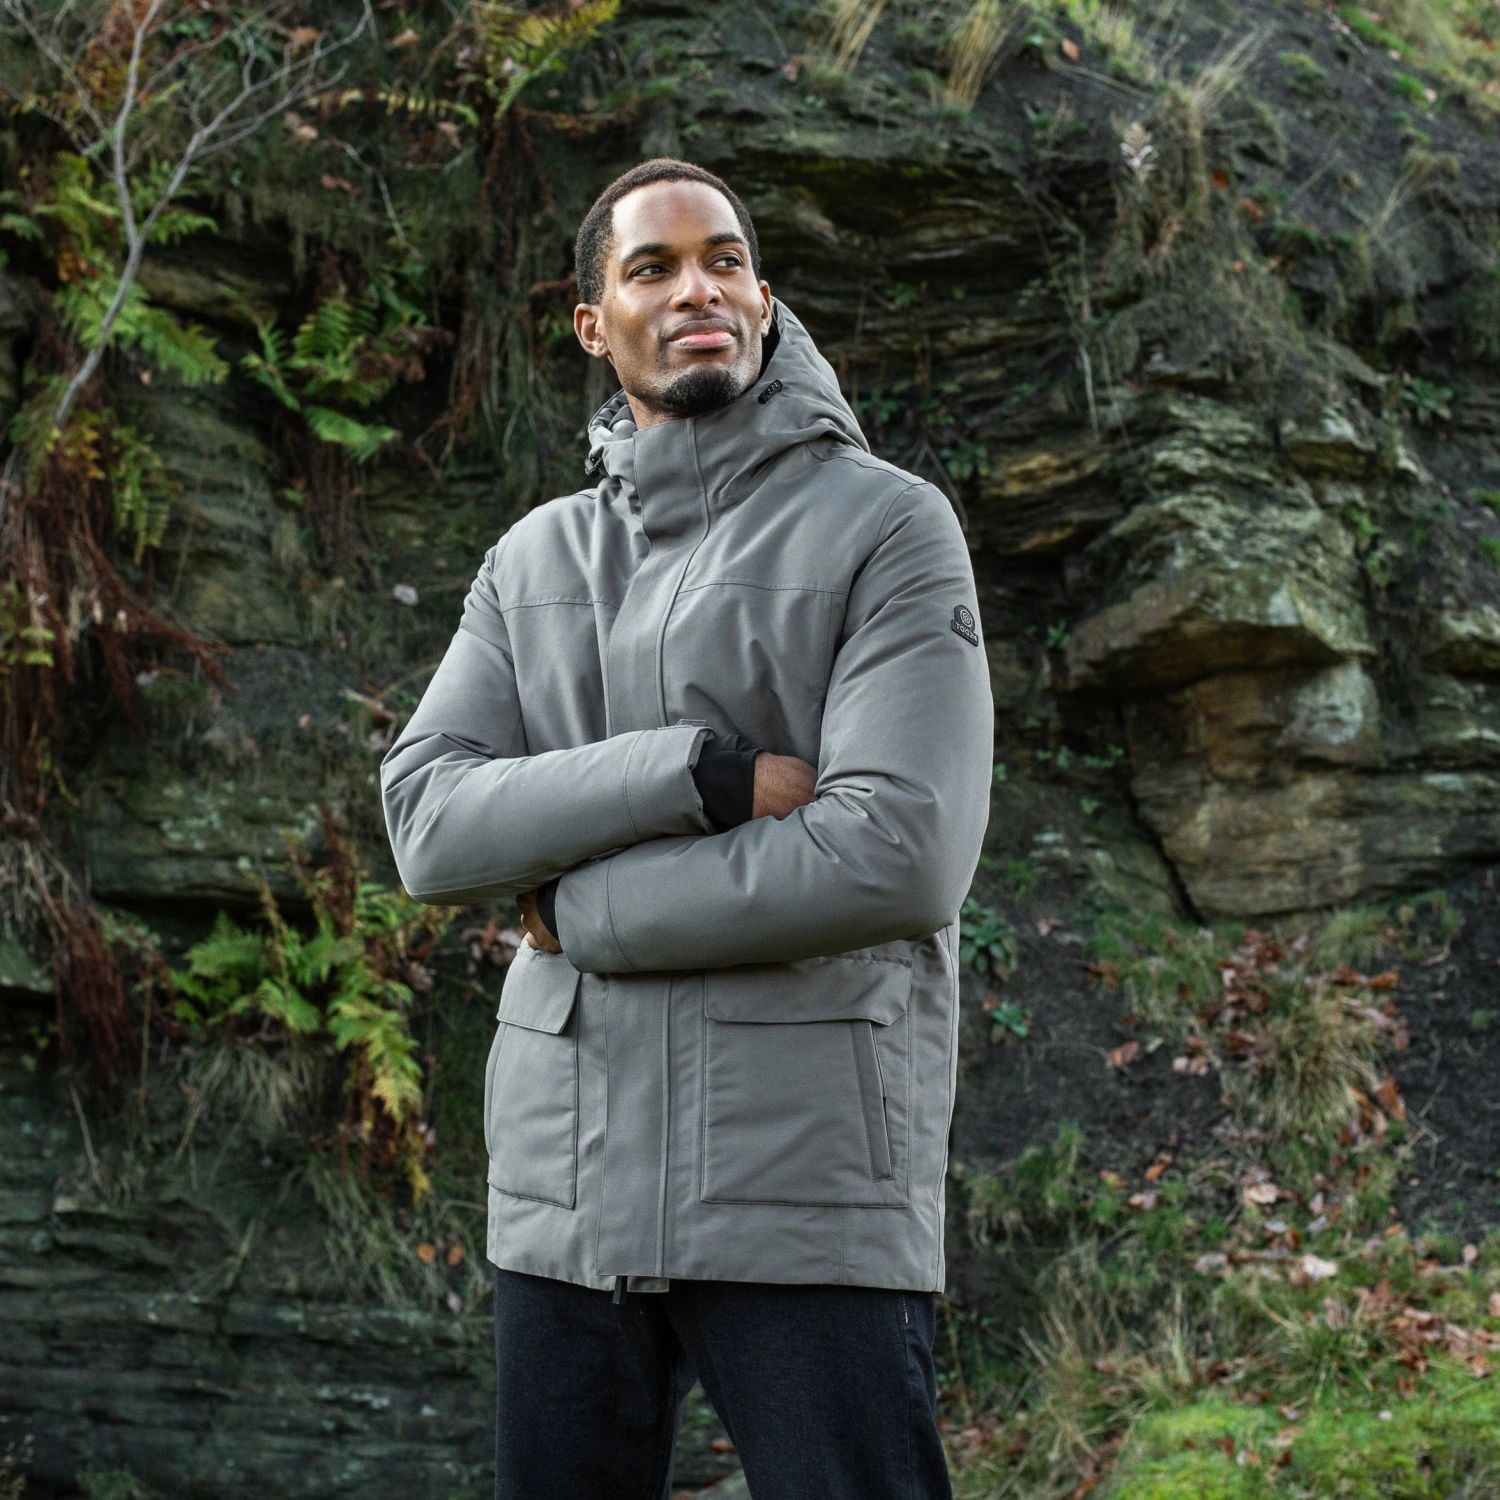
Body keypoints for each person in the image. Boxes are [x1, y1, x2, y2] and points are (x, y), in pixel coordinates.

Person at [381, 158, 992, 1500]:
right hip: (566, 1192)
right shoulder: (532, 561)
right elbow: (427, 821)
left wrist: (581, 908)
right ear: (592, 325)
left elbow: (898, 854)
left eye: (724, 259)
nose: (695, 288)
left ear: (763, 299)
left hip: (806, 1188)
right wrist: (696, 774)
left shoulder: (891, 527)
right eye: (650, 268)